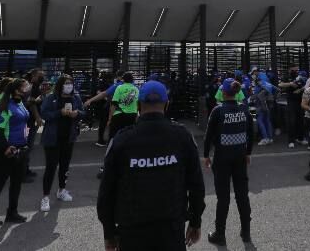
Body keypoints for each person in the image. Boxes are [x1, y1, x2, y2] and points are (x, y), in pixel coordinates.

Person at [98, 80, 206, 251]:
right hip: (171, 231)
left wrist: (109, 234)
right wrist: (195, 222)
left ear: (139, 105)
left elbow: (106, 194)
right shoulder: (182, 136)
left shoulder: (121, 140)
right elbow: (197, 186)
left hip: (132, 232)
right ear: (167, 104)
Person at [203, 79, 254, 245]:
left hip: (222, 158)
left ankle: (220, 234)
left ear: (223, 93)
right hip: (240, 156)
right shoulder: (244, 109)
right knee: (242, 195)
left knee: (223, 198)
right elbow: (251, 133)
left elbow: (209, 136)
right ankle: (246, 233)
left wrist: (205, 155)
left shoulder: (218, 111)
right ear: (237, 93)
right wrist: (248, 153)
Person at [0, 78, 33, 225]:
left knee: (16, 183)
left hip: (21, 149)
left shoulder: (21, 103)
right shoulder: (6, 106)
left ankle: (12, 212)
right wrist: (7, 147)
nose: (27, 88)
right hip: (7, 150)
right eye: (24, 86)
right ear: (16, 90)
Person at [39, 75, 86, 212]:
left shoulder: (76, 98)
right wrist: (59, 112)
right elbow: (44, 114)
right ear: (60, 85)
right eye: (66, 83)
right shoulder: (51, 98)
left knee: (65, 167)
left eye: (70, 83)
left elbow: (83, 113)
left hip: (68, 138)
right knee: (51, 168)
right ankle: (45, 197)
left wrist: (77, 114)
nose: (69, 85)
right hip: (52, 139)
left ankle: (61, 190)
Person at [278, 69, 307, 148]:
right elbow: (280, 84)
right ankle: (291, 141)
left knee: (300, 120)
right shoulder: (287, 77)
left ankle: (300, 138)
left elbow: (307, 85)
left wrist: (300, 89)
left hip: (300, 101)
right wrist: (290, 84)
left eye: (296, 69)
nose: (295, 71)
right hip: (291, 102)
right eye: (293, 69)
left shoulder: (301, 78)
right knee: (291, 121)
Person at [249, 76, 273, 145]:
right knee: (267, 121)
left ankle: (265, 138)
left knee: (260, 121)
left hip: (260, 106)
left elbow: (256, 96)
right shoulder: (267, 85)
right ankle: (270, 138)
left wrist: (251, 98)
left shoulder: (257, 87)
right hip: (267, 106)